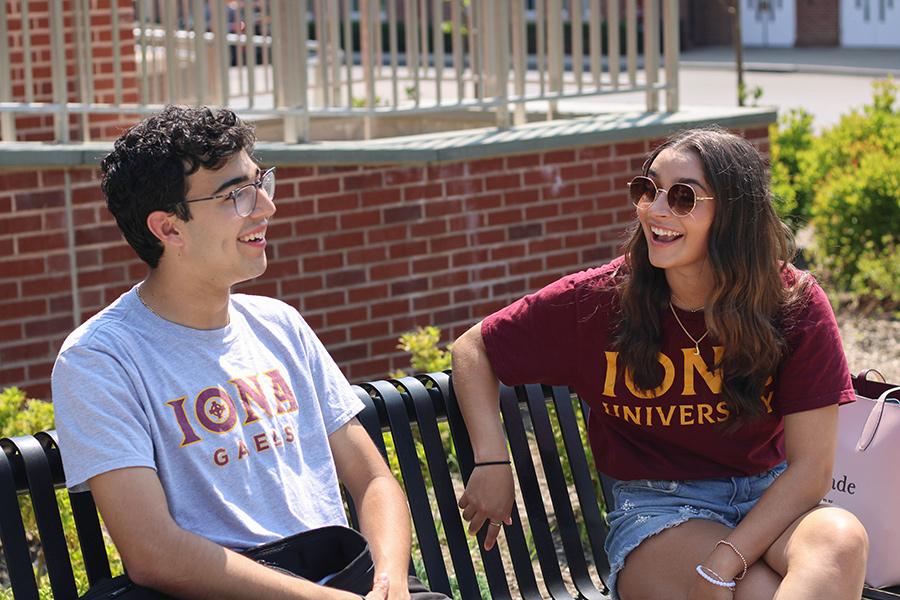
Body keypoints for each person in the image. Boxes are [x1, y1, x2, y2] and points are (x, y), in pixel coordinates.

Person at [451, 127, 869, 600]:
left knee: (841, 540)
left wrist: (725, 558)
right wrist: (491, 459)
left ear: (733, 213)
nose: (656, 208)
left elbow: (812, 470)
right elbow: (474, 348)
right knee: (756, 592)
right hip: (660, 507)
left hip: (770, 497)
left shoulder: (790, 302)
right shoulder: (600, 300)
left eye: (683, 197)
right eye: (647, 189)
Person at [51, 106, 443, 600]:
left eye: (260, 182)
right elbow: (152, 552)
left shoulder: (280, 325)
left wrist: (389, 584)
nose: (265, 207)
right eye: (236, 194)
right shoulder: (100, 360)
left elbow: (372, 480)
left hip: (347, 578)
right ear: (169, 229)